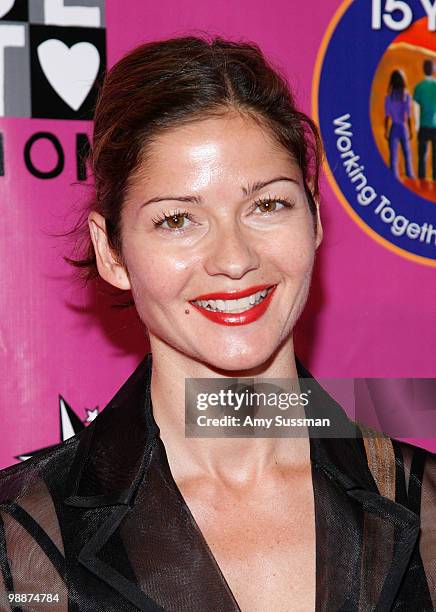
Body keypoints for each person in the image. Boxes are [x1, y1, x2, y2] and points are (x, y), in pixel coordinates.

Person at [0, 36, 435, 612]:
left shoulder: (421, 502)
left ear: (314, 218)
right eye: (178, 219)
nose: (234, 259)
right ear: (112, 253)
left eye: (268, 205)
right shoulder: (24, 535)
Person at [384, 69, 414, 180]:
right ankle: (410, 176)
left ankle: (394, 178)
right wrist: (410, 130)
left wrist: (386, 130)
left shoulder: (389, 97)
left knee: (393, 157)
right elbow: (409, 115)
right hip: (403, 127)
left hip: (394, 127)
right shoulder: (406, 96)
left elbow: (387, 116)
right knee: (407, 154)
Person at [413, 59, 436, 182]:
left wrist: (416, 125)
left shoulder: (419, 87)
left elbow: (416, 108)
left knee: (422, 155)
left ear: (423, 70)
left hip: (423, 125)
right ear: (434, 70)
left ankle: (421, 178)